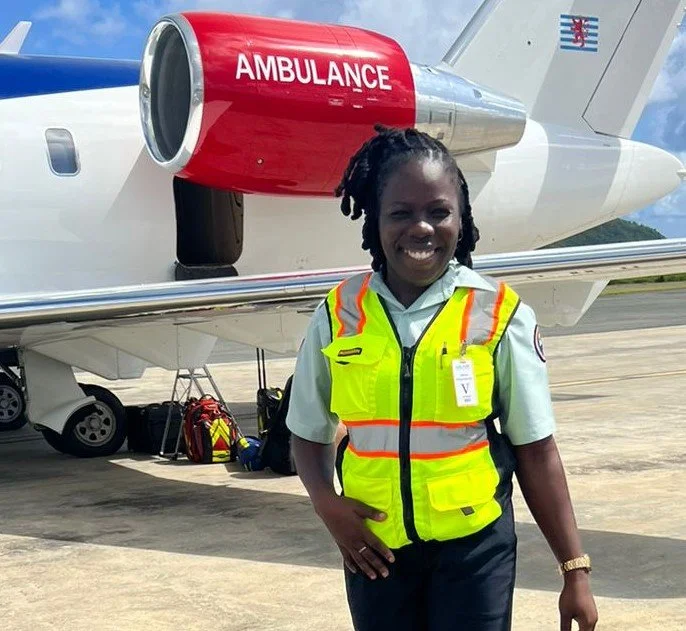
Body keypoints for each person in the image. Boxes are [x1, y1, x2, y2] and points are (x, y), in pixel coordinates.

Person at [286, 125, 598, 631]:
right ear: (375, 219)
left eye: (438, 211)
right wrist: (329, 508)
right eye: (401, 213)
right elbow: (306, 433)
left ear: (462, 217)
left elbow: (536, 450)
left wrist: (574, 571)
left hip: (475, 552)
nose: (421, 228)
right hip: (374, 548)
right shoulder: (339, 311)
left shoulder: (498, 313)